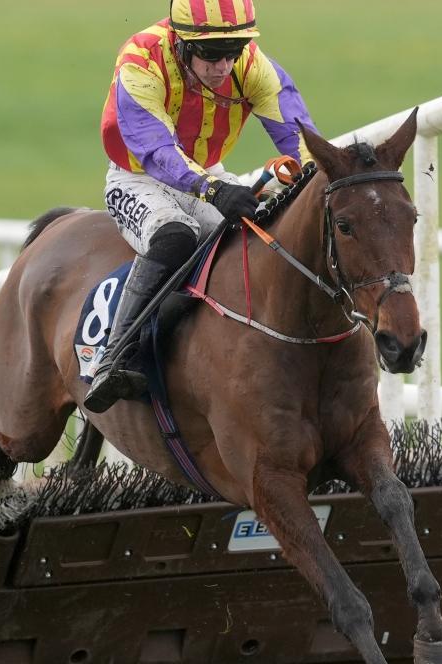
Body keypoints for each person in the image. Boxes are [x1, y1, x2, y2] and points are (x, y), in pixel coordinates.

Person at [85, 0, 317, 413]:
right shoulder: (141, 59)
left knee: (256, 234)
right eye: (210, 54)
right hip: (138, 176)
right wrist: (213, 190)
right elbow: (156, 151)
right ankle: (114, 355)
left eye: (233, 51)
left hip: (207, 173)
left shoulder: (251, 65)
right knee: (176, 236)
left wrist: (319, 176)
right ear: (181, 43)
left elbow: (297, 134)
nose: (223, 66)